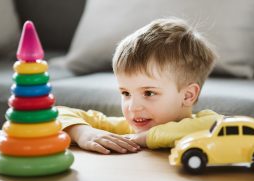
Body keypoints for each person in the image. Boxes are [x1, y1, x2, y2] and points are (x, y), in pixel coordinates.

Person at [57, 17, 221, 154]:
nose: (133, 107)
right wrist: (83, 132)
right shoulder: (126, 129)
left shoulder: (207, 125)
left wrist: (147, 138)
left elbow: (217, 125)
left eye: (149, 93)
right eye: (126, 93)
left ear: (188, 95)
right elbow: (56, 114)